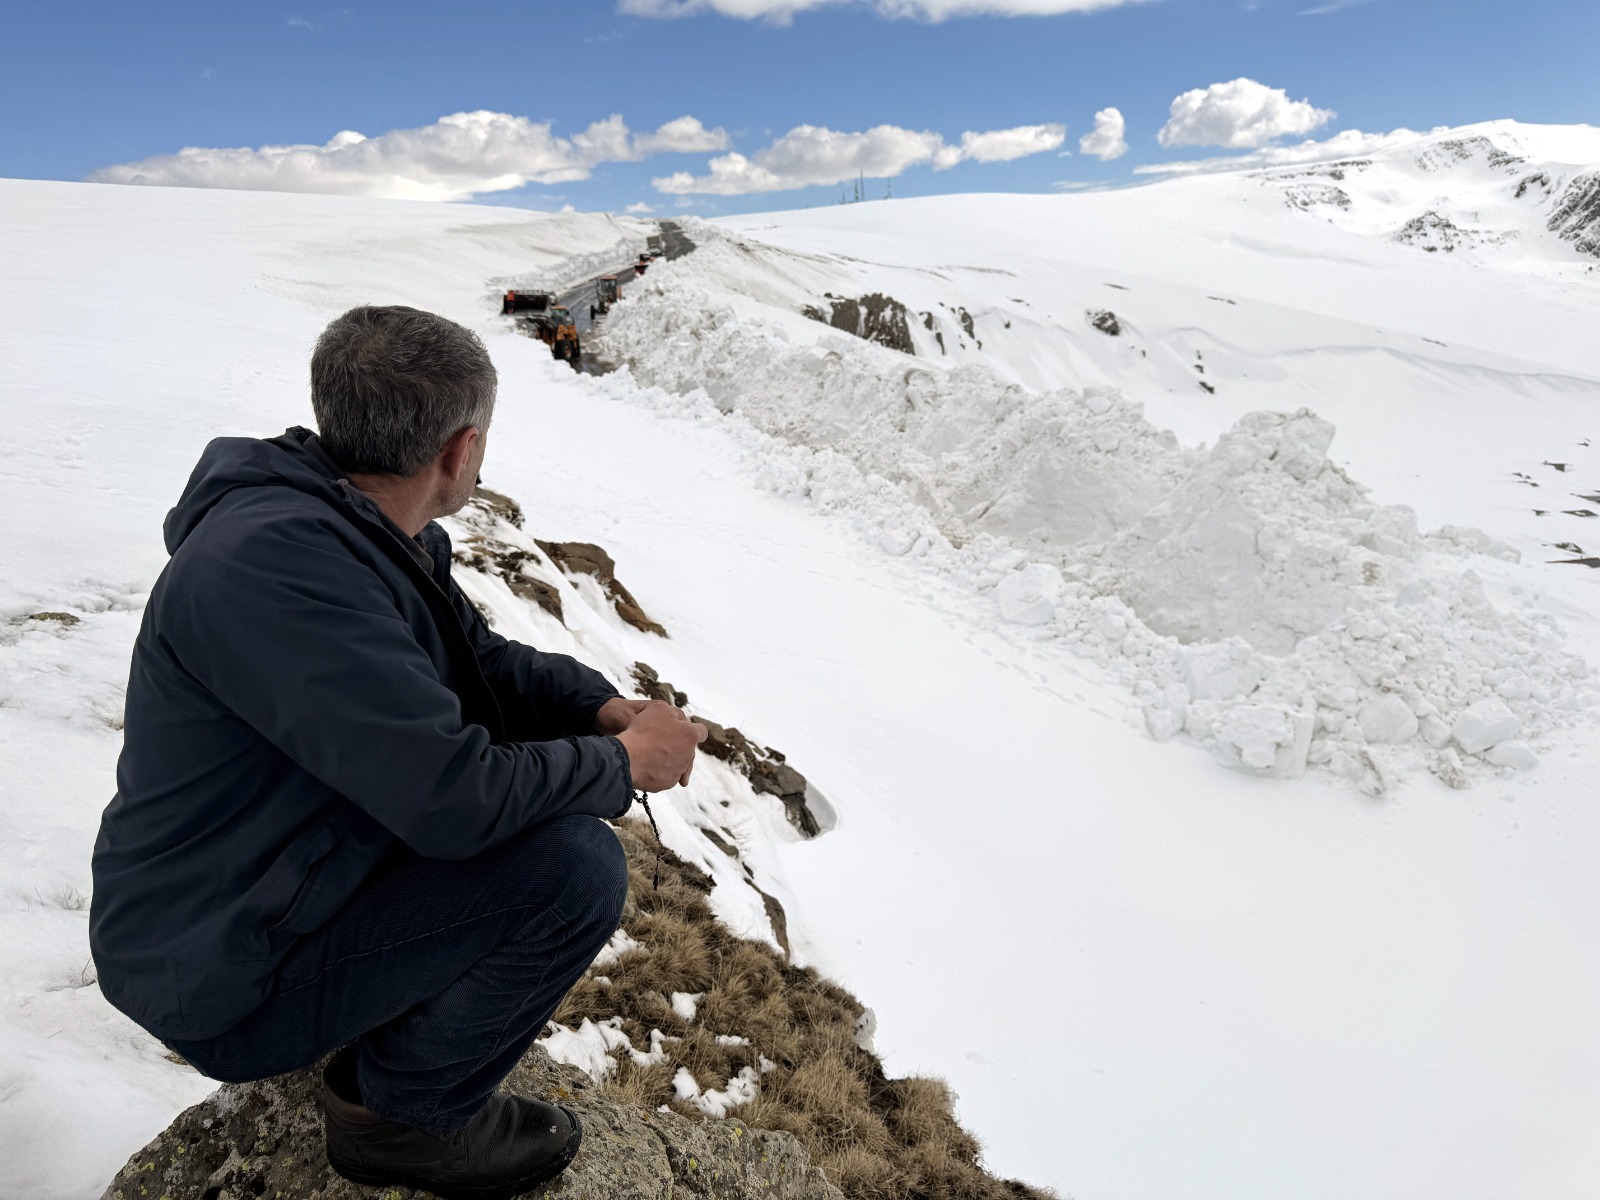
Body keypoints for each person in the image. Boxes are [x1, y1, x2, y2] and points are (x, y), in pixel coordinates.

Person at [89, 304, 706, 1200]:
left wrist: (599, 707)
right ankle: (402, 1123)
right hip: (219, 975)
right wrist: (621, 768)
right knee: (571, 867)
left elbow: (476, 663)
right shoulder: (277, 568)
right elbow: (455, 800)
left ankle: (388, 1031)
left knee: (534, 834)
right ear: (460, 451)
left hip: (250, 899)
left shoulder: (352, 529)